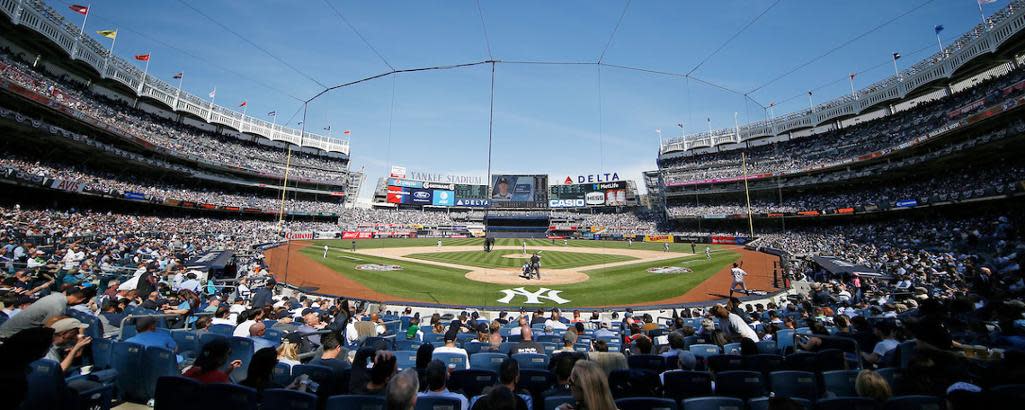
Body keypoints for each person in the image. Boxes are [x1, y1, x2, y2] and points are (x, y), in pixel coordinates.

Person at [0, 287, 90, 338]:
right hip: (10, 335)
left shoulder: (56, 296)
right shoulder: (58, 306)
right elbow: (49, 329)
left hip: (9, 330)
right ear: (81, 300)